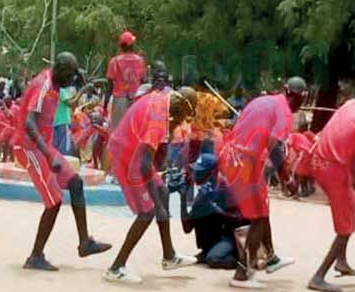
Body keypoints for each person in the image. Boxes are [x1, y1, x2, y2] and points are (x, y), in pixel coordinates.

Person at [13, 52, 110, 271]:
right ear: (62, 71)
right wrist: (48, 155)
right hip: (30, 148)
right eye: (70, 77)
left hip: (43, 147)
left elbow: (72, 99)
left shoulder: (56, 86)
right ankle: (35, 257)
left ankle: (85, 242)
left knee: (75, 183)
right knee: (54, 200)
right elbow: (29, 123)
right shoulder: (43, 85)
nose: (71, 82)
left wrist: (85, 87)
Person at [104, 87, 200, 284]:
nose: (183, 122)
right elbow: (145, 163)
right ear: (179, 110)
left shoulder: (161, 99)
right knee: (147, 212)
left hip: (133, 151)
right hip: (127, 157)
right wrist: (159, 206)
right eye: (184, 118)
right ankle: (115, 268)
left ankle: (169, 255)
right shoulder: (158, 120)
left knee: (162, 190)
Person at [219, 77, 307, 289]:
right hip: (244, 162)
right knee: (258, 216)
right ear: (298, 96)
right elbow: (275, 149)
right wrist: (287, 179)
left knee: (262, 210)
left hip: (232, 156)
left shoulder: (264, 100)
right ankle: (242, 274)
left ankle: (270, 257)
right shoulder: (284, 112)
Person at [307, 93, 355, 292]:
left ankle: (341, 260)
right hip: (334, 170)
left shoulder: (350, 104)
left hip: (317, 158)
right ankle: (318, 277)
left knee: (353, 200)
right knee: (345, 228)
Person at [181, 153, 242, 270]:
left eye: (200, 172)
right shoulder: (203, 193)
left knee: (214, 259)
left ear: (213, 172)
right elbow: (187, 228)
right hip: (213, 241)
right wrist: (183, 197)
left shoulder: (226, 188)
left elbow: (239, 219)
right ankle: (209, 250)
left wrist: (215, 208)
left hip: (229, 238)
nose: (196, 175)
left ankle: (241, 259)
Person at [106, 31, 146, 130]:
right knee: (135, 131)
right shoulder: (140, 60)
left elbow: (109, 86)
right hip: (136, 99)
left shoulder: (114, 62)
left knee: (117, 130)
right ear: (132, 45)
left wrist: (105, 104)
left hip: (119, 100)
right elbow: (142, 82)